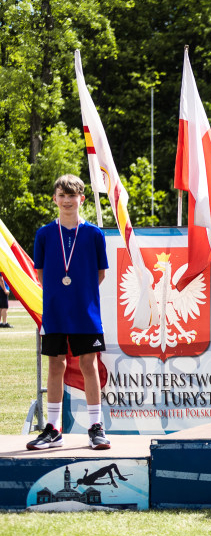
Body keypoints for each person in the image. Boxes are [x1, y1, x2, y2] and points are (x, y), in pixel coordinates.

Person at [26, 174, 111, 451]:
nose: (66, 201)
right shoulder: (44, 234)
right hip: (55, 312)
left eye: (72, 196)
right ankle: (53, 428)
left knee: (89, 365)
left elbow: (99, 274)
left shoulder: (95, 234)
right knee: (56, 366)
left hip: (85, 312)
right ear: (55, 199)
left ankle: (96, 427)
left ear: (81, 199)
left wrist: (79, 294)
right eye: (61, 195)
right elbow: (40, 273)